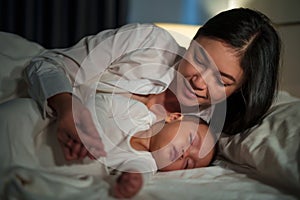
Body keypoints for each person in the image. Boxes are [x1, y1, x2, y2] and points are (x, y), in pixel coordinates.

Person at [23, 6, 281, 190]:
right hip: (25, 101)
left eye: (222, 81)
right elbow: (48, 64)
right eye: (199, 59)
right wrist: (67, 109)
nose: (199, 82)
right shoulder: (148, 43)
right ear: (192, 43)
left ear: (238, 90)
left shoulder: (200, 134)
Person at [93, 92, 215, 198]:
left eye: (188, 164)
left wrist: (133, 180)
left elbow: (139, 172)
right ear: (174, 117)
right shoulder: (138, 113)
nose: (185, 154)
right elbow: (100, 101)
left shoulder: (147, 163)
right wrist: (89, 132)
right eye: (191, 140)